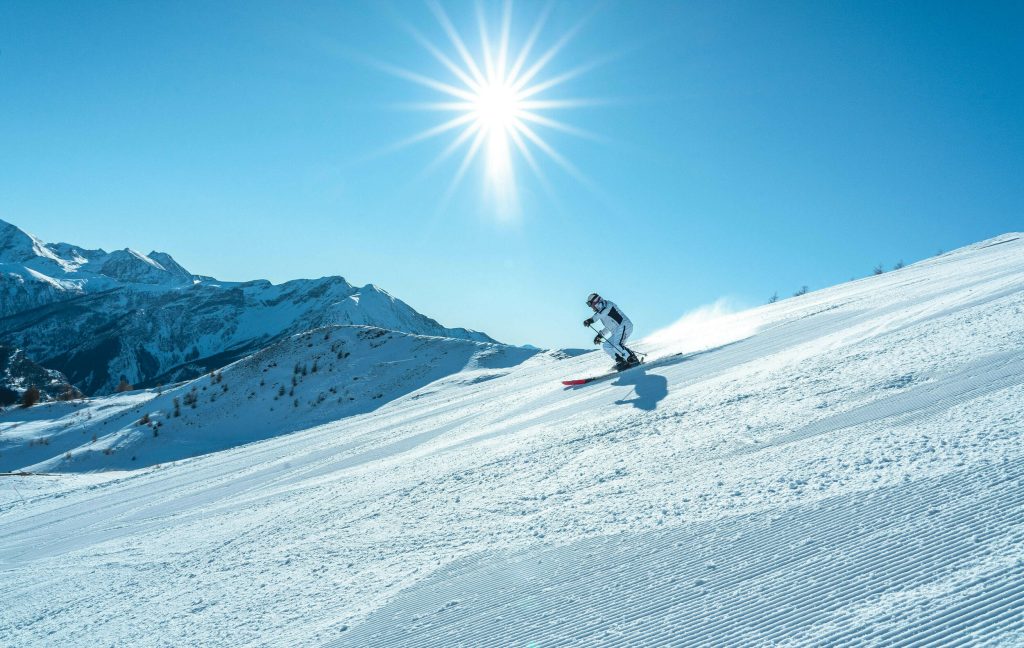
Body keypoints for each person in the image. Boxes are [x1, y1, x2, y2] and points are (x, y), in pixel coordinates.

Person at [584, 292, 639, 371]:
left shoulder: (608, 305)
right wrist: (600, 336)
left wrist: (591, 320)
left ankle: (632, 359)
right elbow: (608, 327)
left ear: (596, 301)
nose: (590, 307)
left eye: (590, 304)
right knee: (607, 346)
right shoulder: (601, 313)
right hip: (617, 330)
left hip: (624, 326)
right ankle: (621, 361)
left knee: (617, 345)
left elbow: (602, 313)